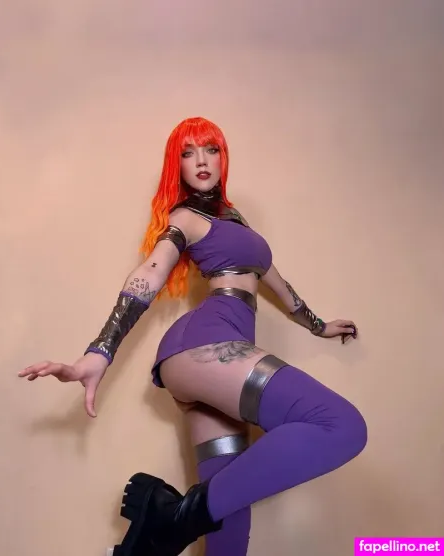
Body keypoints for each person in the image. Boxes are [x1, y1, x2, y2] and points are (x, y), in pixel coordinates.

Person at [18, 116, 368, 556]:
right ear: (177, 166)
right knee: (340, 425)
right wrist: (100, 352)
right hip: (204, 342)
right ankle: (169, 518)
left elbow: (281, 289)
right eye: (188, 153)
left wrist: (320, 326)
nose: (201, 160)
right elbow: (151, 271)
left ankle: (167, 522)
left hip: (207, 360)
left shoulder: (236, 222)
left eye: (210, 149)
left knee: (229, 516)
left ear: (223, 157)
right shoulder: (186, 216)